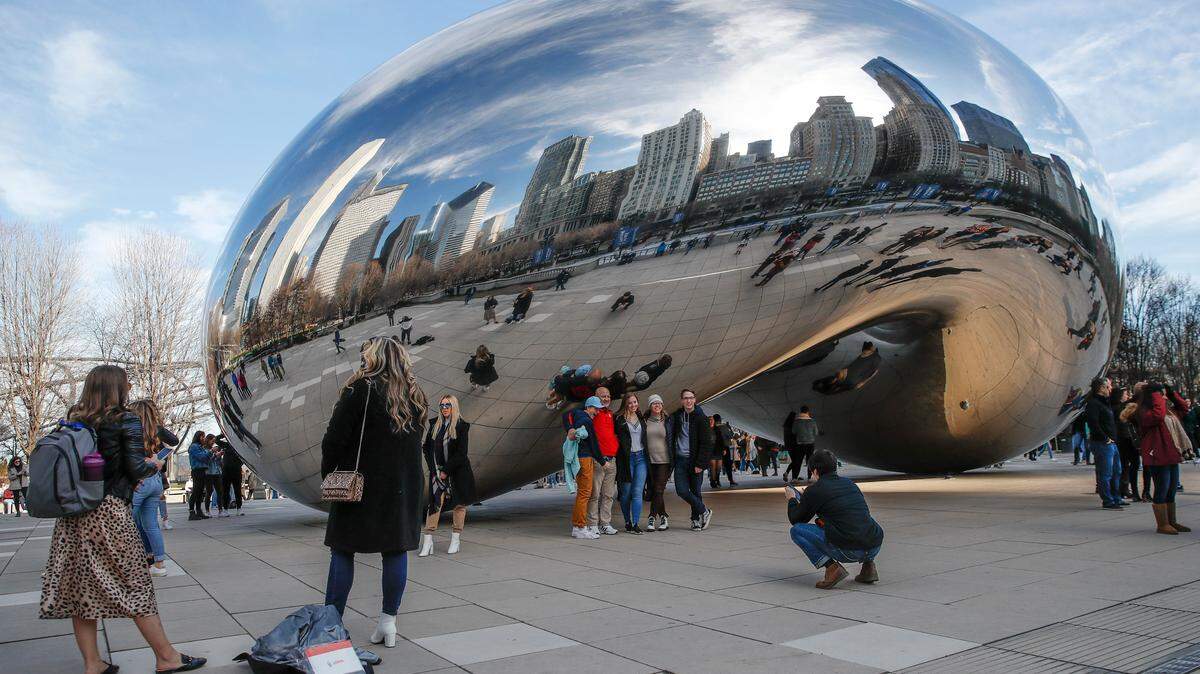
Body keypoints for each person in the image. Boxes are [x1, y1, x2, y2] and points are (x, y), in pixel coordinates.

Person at [42, 365, 206, 674]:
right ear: (117, 388)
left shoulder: (74, 417)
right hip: (109, 513)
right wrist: (152, 465)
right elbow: (134, 468)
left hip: (73, 515)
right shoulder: (124, 419)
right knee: (136, 583)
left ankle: (93, 664)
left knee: (81, 590)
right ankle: (167, 658)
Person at [321, 336, 427, 647]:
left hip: (361, 486)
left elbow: (333, 439)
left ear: (373, 357)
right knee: (395, 551)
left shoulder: (360, 389)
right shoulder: (415, 394)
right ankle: (388, 622)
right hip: (403, 488)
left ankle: (331, 623)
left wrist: (330, 472)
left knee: (343, 550)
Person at [787, 449, 884, 589]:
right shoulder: (850, 484)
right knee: (860, 519)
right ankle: (868, 567)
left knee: (796, 531)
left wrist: (791, 499)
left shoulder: (815, 490)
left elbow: (796, 519)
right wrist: (808, 498)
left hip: (848, 550)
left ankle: (832, 568)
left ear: (814, 471)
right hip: (874, 545)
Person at [420, 395, 476, 556]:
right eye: (442, 405)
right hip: (437, 473)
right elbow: (426, 448)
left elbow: (461, 453)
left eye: (447, 405)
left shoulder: (462, 426)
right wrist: (434, 469)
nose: (444, 408)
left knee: (459, 505)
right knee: (434, 504)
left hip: (457, 471)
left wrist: (446, 471)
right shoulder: (434, 425)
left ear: (454, 407)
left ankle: (455, 539)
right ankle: (428, 540)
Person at [128, 400, 178, 577]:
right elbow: (174, 441)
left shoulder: (132, 428)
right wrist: (159, 458)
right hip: (155, 480)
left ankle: (131, 561)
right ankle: (159, 564)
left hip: (139, 481)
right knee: (151, 524)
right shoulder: (157, 429)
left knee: (127, 522)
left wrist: (145, 461)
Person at [1137, 383, 1189, 534]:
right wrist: (1157, 395)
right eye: (1161, 394)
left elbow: (1184, 408)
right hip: (1158, 455)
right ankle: (1162, 524)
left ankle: (1171, 522)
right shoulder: (1144, 411)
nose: (1164, 397)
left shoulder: (1169, 411)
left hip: (1171, 453)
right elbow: (1158, 416)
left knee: (1171, 489)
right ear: (1153, 397)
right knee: (1162, 488)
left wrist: (1172, 394)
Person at [665, 388, 713, 530]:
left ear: (695, 399)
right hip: (680, 460)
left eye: (691, 398)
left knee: (696, 491)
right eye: (685, 398)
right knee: (682, 490)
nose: (688, 400)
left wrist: (700, 464)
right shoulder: (677, 416)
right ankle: (705, 511)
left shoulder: (701, 418)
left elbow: (706, 443)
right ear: (682, 401)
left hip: (695, 461)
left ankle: (695, 520)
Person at [1085, 377, 1125, 509]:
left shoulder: (1105, 402)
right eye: (1108, 386)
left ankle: (1116, 497)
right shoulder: (1094, 404)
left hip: (1111, 443)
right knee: (1106, 473)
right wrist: (1105, 438)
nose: (1110, 389)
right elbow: (1093, 423)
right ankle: (1108, 500)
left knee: (1116, 471)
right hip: (1103, 443)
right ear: (1101, 388)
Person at [567, 397, 601, 539]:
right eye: (595, 408)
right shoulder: (586, 420)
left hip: (580, 457)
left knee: (583, 493)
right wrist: (603, 461)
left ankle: (578, 526)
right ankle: (580, 527)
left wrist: (570, 428)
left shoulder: (577, 415)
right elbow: (593, 443)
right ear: (588, 407)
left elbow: (565, 415)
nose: (597, 411)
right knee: (585, 493)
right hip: (585, 458)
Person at [588, 386, 620, 535]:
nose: (606, 398)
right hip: (598, 459)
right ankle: (592, 523)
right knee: (594, 493)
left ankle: (605, 523)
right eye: (603, 396)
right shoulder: (593, 413)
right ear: (596, 397)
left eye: (608, 396)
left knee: (608, 494)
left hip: (611, 459)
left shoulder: (610, 414)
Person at [615, 393, 648, 534]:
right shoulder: (619, 420)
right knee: (626, 493)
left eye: (635, 402)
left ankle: (635, 523)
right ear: (625, 404)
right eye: (630, 403)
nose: (633, 405)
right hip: (626, 459)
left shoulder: (641, 418)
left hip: (641, 458)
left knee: (637, 492)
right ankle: (627, 521)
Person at [643, 394, 672, 531]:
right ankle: (664, 516)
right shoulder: (644, 421)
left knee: (659, 489)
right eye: (654, 403)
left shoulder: (667, 421)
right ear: (650, 406)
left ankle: (651, 517)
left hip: (664, 461)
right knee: (654, 490)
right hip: (649, 461)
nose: (657, 405)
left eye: (659, 403)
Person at [1111, 388, 1140, 502]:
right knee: (1129, 464)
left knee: (1123, 465)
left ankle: (1123, 488)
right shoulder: (1120, 408)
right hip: (1125, 439)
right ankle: (1125, 488)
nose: (1127, 396)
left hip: (1122, 439)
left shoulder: (1115, 407)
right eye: (1125, 394)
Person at [789, 406, 818, 481]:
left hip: (800, 444)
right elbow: (816, 432)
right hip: (810, 444)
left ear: (801, 412)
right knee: (810, 460)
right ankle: (810, 477)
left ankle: (794, 478)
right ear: (808, 412)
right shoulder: (812, 421)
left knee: (798, 461)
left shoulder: (796, 421)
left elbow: (793, 432)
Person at [187, 431, 210, 520]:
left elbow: (206, 458)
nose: (204, 439)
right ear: (199, 437)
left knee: (200, 492)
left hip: (202, 470)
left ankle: (199, 510)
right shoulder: (194, 447)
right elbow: (202, 457)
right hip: (197, 471)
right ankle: (192, 512)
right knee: (196, 491)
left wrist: (214, 454)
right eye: (203, 437)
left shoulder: (201, 447)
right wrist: (210, 451)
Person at [221, 437, 245, 516]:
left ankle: (239, 508)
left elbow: (243, 458)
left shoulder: (239, 446)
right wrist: (222, 434)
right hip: (226, 471)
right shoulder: (226, 445)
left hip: (236, 471)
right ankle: (225, 509)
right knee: (226, 491)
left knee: (237, 490)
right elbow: (217, 440)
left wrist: (239, 465)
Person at [205, 435, 226, 517]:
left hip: (217, 472)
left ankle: (220, 510)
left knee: (219, 491)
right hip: (209, 473)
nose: (213, 442)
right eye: (212, 441)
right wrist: (214, 455)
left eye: (214, 441)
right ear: (208, 440)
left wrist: (220, 456)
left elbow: (219, 463)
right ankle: (207, 510)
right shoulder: (206, 449)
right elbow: (206, 460)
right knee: (209, 491)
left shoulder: (214, 449)